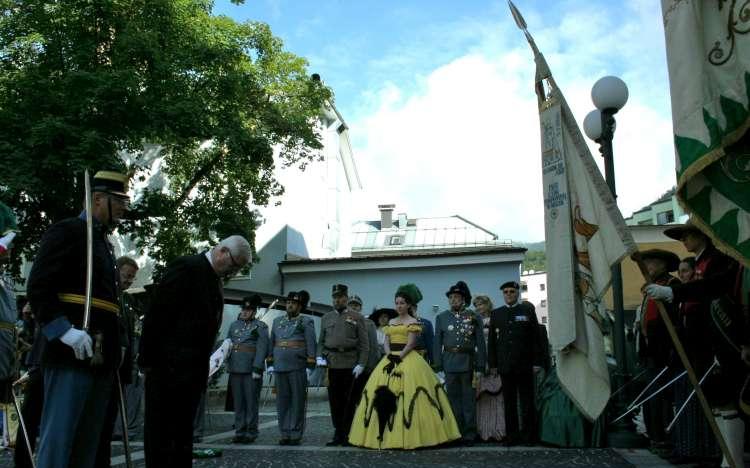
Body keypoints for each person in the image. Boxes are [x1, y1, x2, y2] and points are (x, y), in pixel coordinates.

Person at [27, 170, 129, 468]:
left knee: (88, 442)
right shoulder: (68, 232)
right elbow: (40, 286)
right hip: (71, 350)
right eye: (118, 200)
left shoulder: (105, 245)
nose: (124, 207)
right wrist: (63, 331)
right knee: (59, 441)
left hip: (101, 354)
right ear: (98, 199)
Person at [138, 235, 251, 467]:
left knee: (181, 436)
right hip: (168, 368)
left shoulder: (213, 279)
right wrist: (147, 360)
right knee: (162, 435)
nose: (233, 271)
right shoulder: (187, 267)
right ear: (222, 251)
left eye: (238, 268)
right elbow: (158, 314)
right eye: (234, 265)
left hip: (190, 373)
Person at [645, 222, 745, 467]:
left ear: (703, 235)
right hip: (697, 343)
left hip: (718, 339)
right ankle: (727, 457)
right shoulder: (701, 261)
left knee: (726, 398)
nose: (684, 240)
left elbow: (712, 289)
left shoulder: (718, 259)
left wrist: (672, 293)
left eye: (688, 234)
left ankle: (734, 460)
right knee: (715, 402)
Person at [348, 283, 461, 449]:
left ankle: (417, 436)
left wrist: (398, 357)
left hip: (408, 358)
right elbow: (386, 341)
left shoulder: (413, 322)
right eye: (397, 303)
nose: (399, 306)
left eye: (402, 303)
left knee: (414, 395)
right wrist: (389, 356)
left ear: (408, 305)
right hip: (390, 358)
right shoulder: (392, 321)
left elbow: (411, 344)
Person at [670, 255, 719, 463]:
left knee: (700, 406)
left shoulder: (698, 298)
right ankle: (687, 448)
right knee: (684, 404)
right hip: (683, 359)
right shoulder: (682, 299)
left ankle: (704, 452)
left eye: (687, 271)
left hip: (700, 356)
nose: (683, 275)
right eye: (680, 271)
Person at [633, 249, 681, 457]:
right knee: (651, 396)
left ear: (662, 265)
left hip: (665, 351)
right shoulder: (649, 289)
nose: (647, 268)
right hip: (649, 351)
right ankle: (654, 436)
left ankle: (665, 438)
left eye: (651, 264)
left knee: (663, 397)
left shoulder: (672, 286)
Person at [94, 255, 141, 467]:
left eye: (132, 278)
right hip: (105, 365)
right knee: (99, 419)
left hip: (120, 369)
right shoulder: (107, 294)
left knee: (110, 416)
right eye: (126, 276)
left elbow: (130, 336)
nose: (129, 281)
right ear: (116, 271)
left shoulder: (128, 300)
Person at [487, 280, 542, 446]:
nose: (509, 294)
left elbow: (535, 339)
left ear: (517, 293)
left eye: (512, 291)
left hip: (525, 364)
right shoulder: (496, 314)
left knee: (527, 402)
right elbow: (492, 342)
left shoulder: (526, 311)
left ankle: (529, 437)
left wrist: (537, 362)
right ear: (503, 295)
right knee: (509, 403)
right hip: (505, 365)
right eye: (506, 292)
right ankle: (512, 437)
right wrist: (493, 364)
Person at [317, 284, 369, 446]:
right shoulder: (326, 318)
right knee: (335, 401)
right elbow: (321, 341)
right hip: (333, 364)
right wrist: (319, 356)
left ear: (346, 298)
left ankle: (348, 434)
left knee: (348, 401)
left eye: (340, 297)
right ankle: (337, 433)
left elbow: (364, 344)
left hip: (350, 364)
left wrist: (361, 363)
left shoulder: (356, 317)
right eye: (334, 297)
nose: (337, 300)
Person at [434, 281, 485, 446]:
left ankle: (470, 434)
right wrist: (438, 365)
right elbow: (437, 343)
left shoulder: (474, 316)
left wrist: (480, 366)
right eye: (451, 297)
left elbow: (480, 343)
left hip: (468, 363)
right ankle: (456, 432)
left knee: (468, 400)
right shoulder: (441, 317)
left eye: (457, 297)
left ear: (463, 299)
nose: (453, 300)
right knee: (452, 400)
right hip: (449, 363)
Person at [268, 290, 316, 445]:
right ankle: (284, 433)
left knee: (297, 401)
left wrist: (310, 364)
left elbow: (311, 343)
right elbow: (272, 342)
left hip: (297, 366)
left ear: (299, 306)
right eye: (288, 302)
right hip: (280, 366)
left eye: (293, 303)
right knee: (282, 402)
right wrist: (269, 362)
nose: (290, 305)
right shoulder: (277, 321)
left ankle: (295, 433)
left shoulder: (305, 321)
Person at [220, 294, 269, 444]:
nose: (245, 312)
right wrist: (224, 362)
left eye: (248, 310)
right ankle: (240, 431)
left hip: (250, 370)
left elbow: (262, 348)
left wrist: (257, 368)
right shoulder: (234, 325)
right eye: (244, 309)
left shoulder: (260, 327)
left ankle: (251, 431)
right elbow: (228, 344)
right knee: (239, 403)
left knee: (250, 402)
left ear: (254, 311)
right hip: (235, 369)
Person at [472, 294, 505, 442]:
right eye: (476, 305)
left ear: (488, 304)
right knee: (481, 398)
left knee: (496, 396)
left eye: (481, 304)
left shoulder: (495, 319)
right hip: (479, 361)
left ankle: (497, 429)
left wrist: (494, 362)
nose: (479, 307)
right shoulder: (474, 321)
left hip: (493, 360)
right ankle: (482, 430)